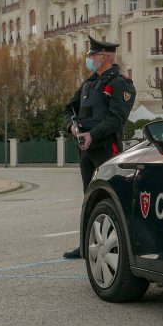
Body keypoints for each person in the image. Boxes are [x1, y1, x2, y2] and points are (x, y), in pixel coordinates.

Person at [62, 35, 136, 259]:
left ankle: (117, 244)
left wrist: (92, 135)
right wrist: (72, 129)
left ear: (104, 57)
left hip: (105, 148)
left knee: (110, 197)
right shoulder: (89, 83)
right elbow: (69, 108)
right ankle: (86, 245)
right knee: (89, 197)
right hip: (85, 147)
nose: (89, 59)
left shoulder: (120, 83)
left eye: (92, 55)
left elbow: (116, 120)